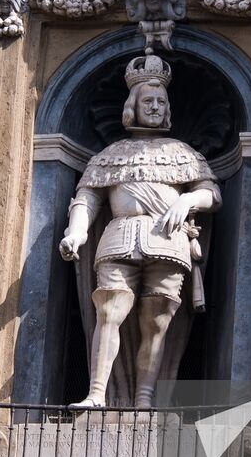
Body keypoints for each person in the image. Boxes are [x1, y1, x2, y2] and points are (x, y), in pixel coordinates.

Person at [59, 54, 220, 408]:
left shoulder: (184, 153)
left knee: (157, 323)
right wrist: (76, 233)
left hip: (168, 242)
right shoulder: (109, 154)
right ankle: (97, 393)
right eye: (148, 101)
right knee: (109, 312)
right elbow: (86, 199)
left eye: (161, 101)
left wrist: (187, 200)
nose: (155, 107)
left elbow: (213, 194)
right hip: (118, 237)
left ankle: (145, 399)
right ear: (132, 105)